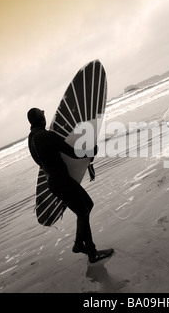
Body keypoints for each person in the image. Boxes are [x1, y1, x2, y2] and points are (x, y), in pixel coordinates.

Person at [27, 107, 113, 263]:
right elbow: (73, 152)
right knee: (82, 212)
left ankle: (79, 244)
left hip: (54, 182)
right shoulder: (46, 136)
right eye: (43, 115)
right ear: (41, 120)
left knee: (88, 204)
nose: (45, 117)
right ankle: (92, 252)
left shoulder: (30, 140)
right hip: (62, 181)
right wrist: (91, 150)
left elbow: (42, 161)